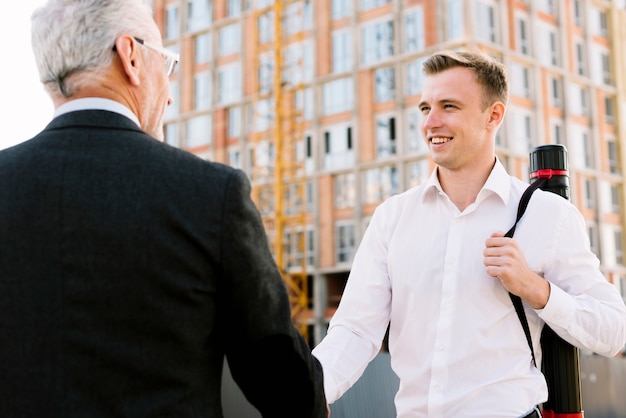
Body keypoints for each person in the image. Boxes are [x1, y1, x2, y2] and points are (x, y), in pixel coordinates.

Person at [0, 0, 327, 417]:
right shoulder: (212, 193)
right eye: (167, 63)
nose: (169, 96)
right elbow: (281, 378)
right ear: (130, 56)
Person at [312, 50, 626, 417]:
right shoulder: (392, 218)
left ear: (493, 115)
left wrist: (536, 289)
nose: (432, 122)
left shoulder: (547, 215)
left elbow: (614, 330)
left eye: (449, 106)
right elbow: (354, 330)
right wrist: (311, 392)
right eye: (425, 108)